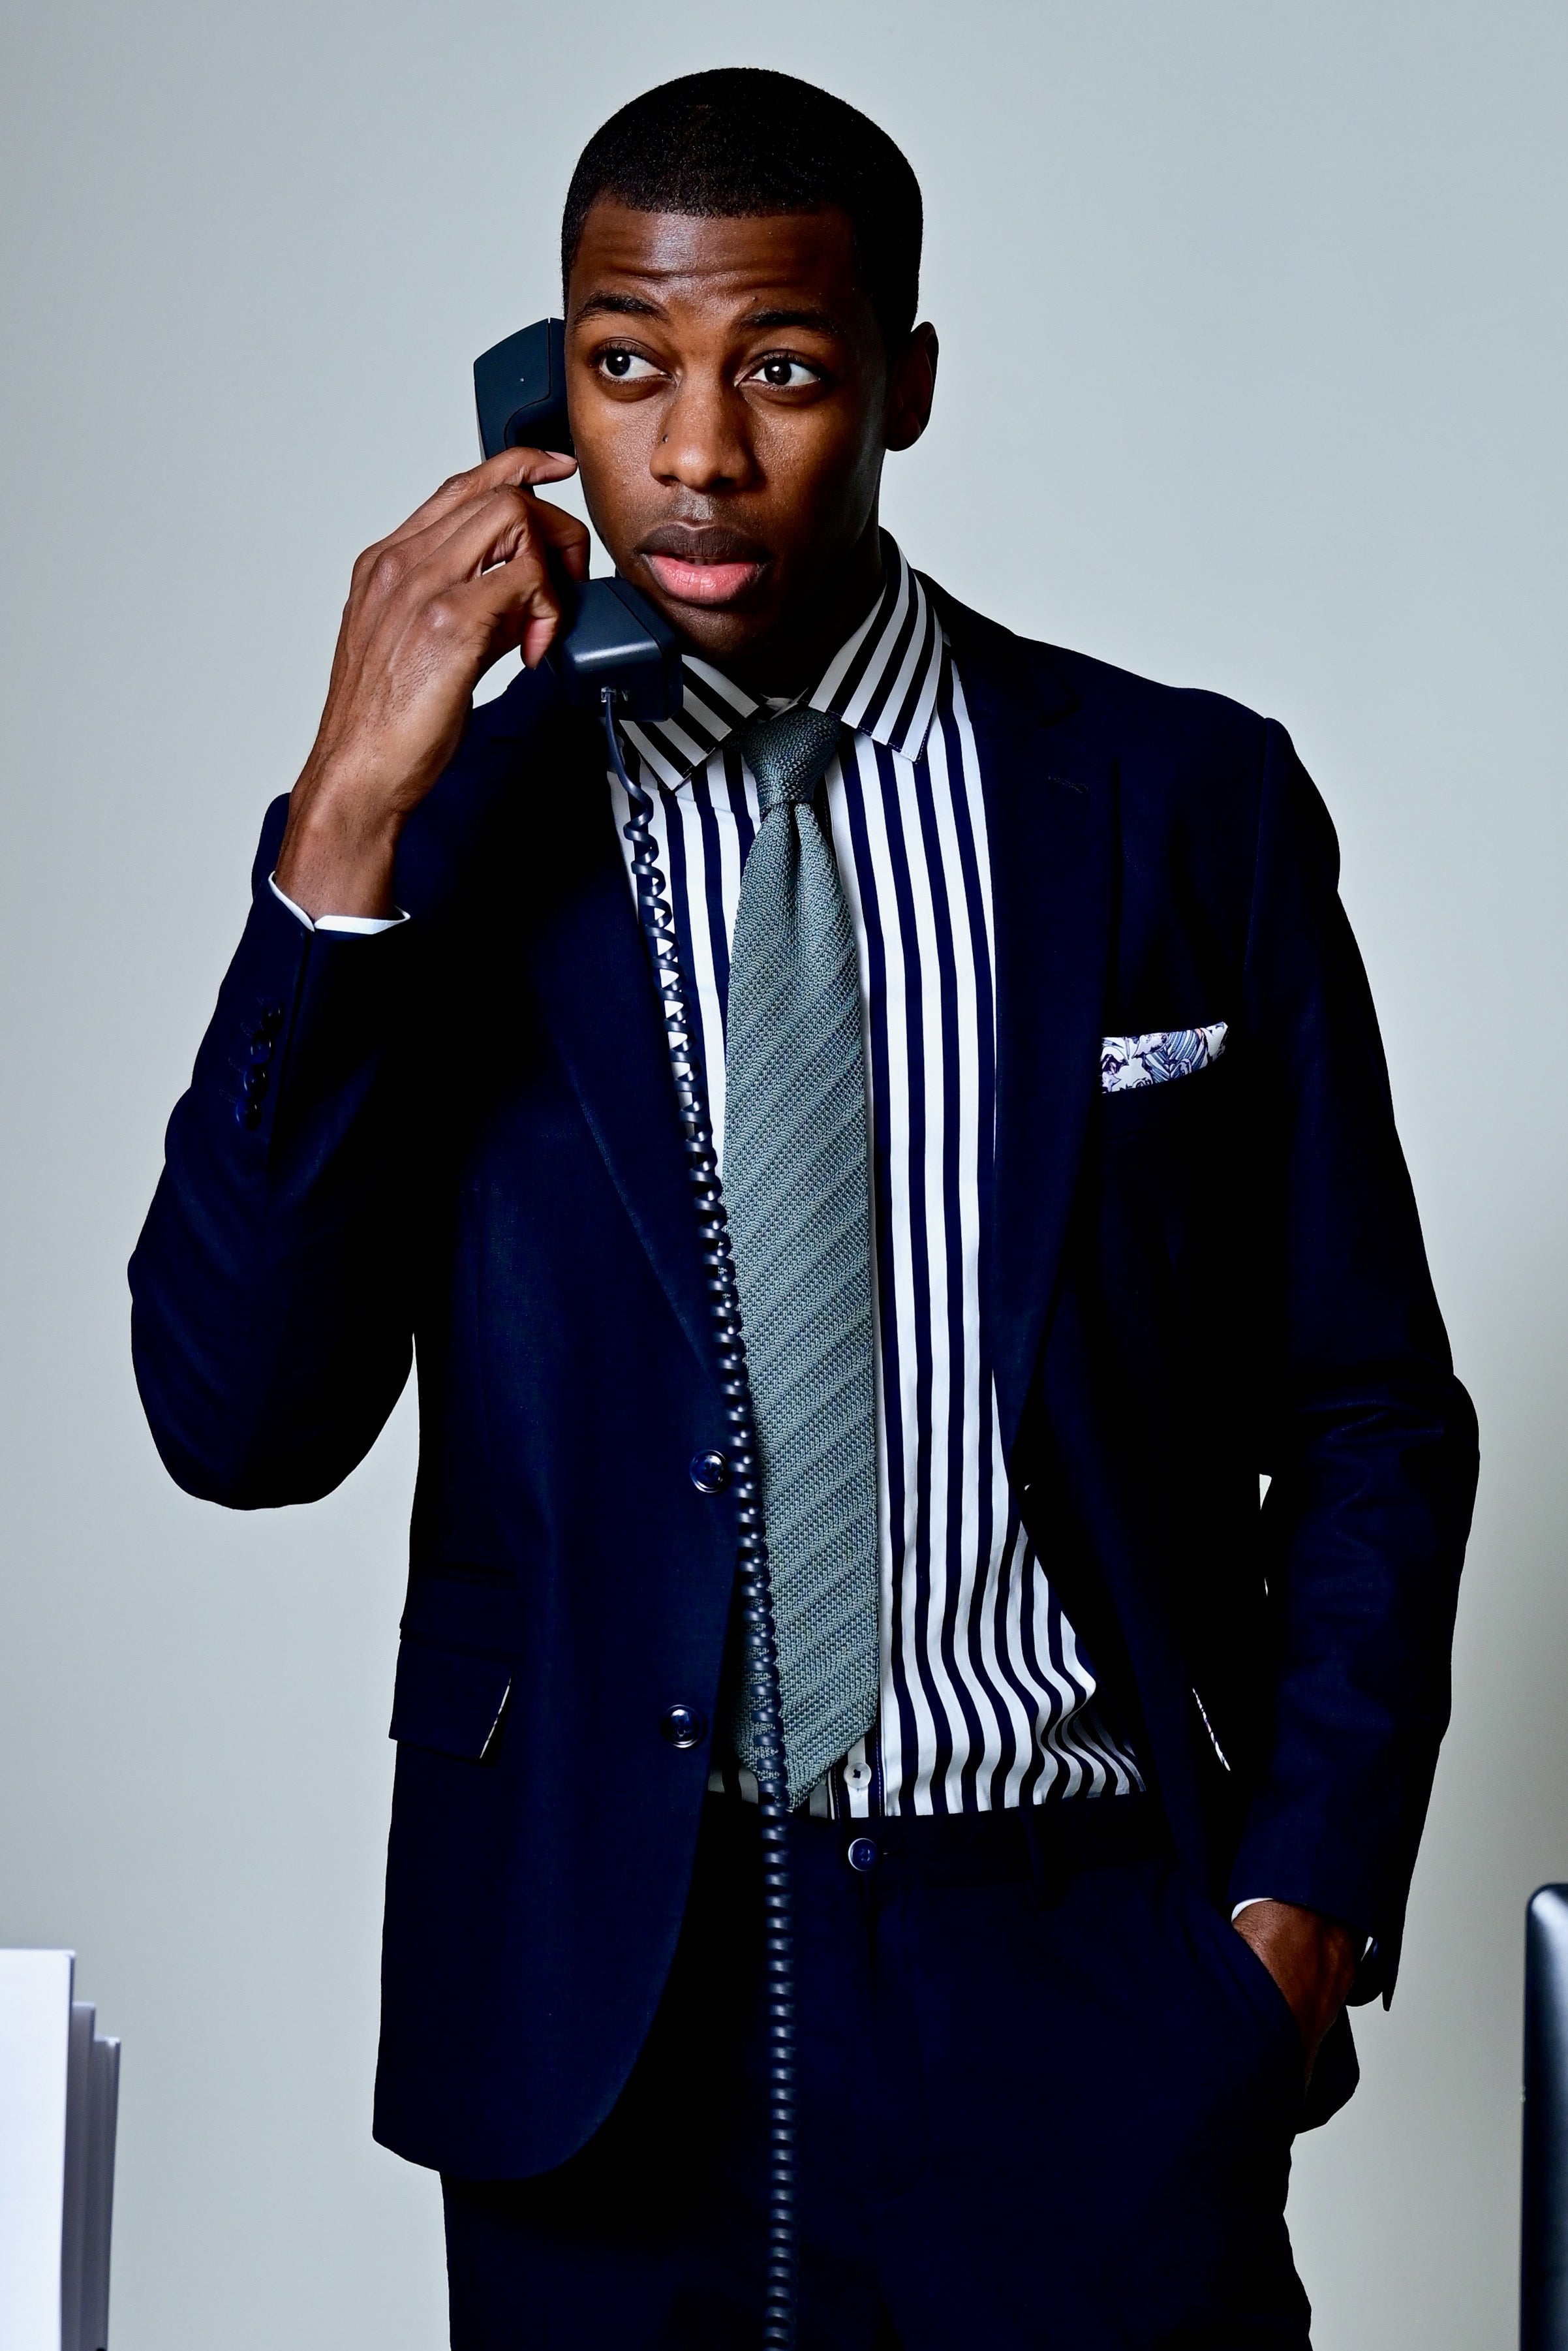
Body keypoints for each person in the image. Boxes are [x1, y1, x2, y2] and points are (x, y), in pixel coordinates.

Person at [129, 66, 1479, 2350]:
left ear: (900, 384)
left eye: (778, 369)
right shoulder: (449, 839)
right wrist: (344, 820)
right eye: (623, 365)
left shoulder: (1178, 802)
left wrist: (1297, 1904)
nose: (694, 453)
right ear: (546, 393)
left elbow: (1367, 1405)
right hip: (598, 1991)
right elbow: (238, 1416)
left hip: (1079, 1965)